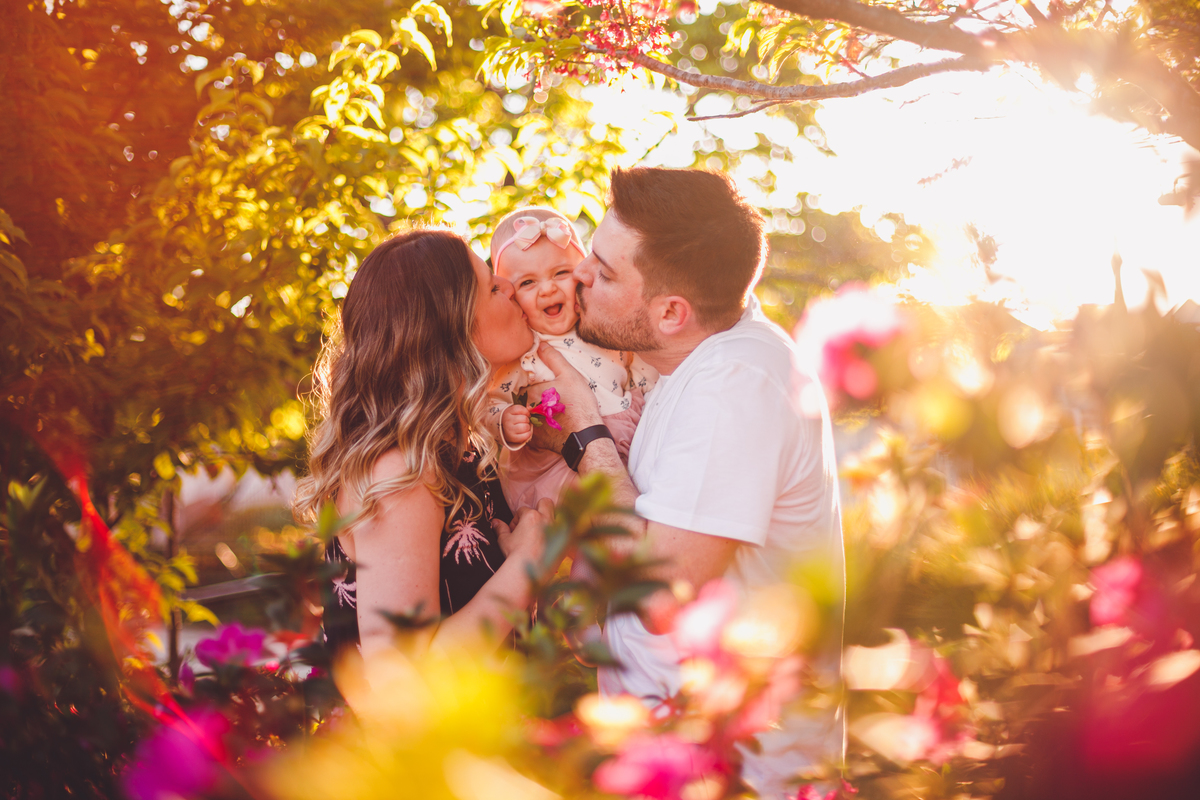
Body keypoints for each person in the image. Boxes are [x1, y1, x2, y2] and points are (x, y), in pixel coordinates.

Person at [528, 167, 846, 798]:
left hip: (738, 773)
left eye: (606, 272)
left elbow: (662, 594)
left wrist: (585, 431)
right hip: (682, 755)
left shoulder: (735, 384)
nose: (579, 276)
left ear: (672, 312)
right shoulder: (694, 363)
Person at [294, 228, 554, 663]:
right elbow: (406, 674)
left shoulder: (461, 448)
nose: (509, 286)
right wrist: (527, 566)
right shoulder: (401, 472)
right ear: (452, 333)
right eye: (491, 287)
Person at [484, 206, 657, 510]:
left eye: (560, 273)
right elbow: (491, 401)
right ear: (510, 294)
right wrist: (504, 421)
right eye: (528, 283)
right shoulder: (524, 352)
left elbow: (644, 370)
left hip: (628, 441)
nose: (548, 288)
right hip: (559, 465)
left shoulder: (604, 326)